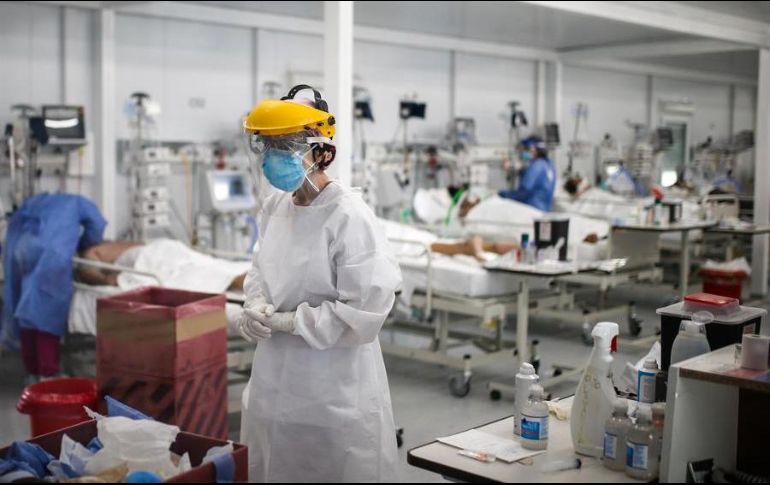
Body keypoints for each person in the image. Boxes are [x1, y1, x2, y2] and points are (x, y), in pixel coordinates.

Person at [237, 85, 402, 482]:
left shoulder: (348, 216)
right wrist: (255, 303)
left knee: (330, 469)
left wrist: (292, 322)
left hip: (333, 388)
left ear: (321, 149)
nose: (274, 158)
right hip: (274, 379)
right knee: (274, 464)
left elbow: (365, 311)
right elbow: (261, 268)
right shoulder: (276, 206)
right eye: (269, 146)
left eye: (286, 146)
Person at [1, 193, 106, 382]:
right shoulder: (79, 204)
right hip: (52, 255)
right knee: (47, 314)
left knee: (29, 312)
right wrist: (85, 244)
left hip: (22, 249)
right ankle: (47, 373)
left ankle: (32, 372)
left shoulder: (38, 200)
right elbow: (97, 225)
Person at [499, 135, 556, 211]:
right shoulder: (549, 165)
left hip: (532, 209)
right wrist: (520, 171)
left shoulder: (536, 165)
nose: (524, 153)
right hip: (544, 210)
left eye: (526, 149)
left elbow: (524, 192)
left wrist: (504, 194)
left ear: (533, 149)